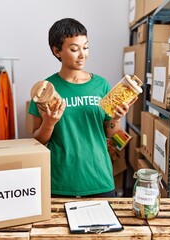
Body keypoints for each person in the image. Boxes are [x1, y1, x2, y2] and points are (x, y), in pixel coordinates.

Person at [28, 18, 133, 198]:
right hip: (60, 183)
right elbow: (37, 142)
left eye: (86, 47)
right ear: (57, 51)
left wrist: (116, 118)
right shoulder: (45, 90)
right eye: (74, 49)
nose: (82, 54)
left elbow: (112, 136)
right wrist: (49, 123)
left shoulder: (102, 85)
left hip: (100, 180)